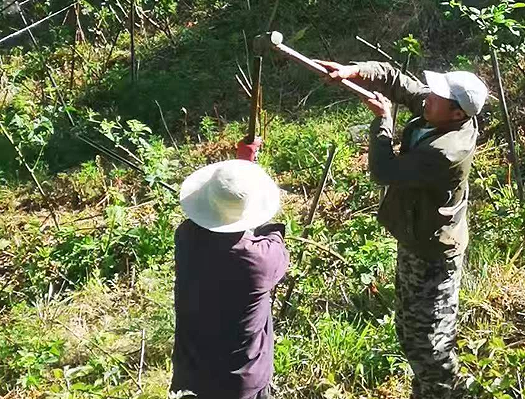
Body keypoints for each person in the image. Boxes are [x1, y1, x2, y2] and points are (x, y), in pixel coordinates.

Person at [317, 59, 488, 399]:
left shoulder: (446, 152)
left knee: (431, 342)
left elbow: (386, 171)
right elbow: (397, 81)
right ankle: (426, 390)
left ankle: (443, 392)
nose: (428, 98)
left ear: (457, 114)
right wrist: (356, 71)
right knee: (410, 329)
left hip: (434, 253)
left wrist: (383, 122)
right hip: (416, 237)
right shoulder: (437, 111)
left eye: (438, 96)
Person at [169, 137, 288, 399]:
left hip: (192, 374)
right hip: (240, 384)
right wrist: (249, 183)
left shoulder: (186, 238)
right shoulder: (262, 259)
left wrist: (243, 169)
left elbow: (221, 220)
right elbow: (270, 235)